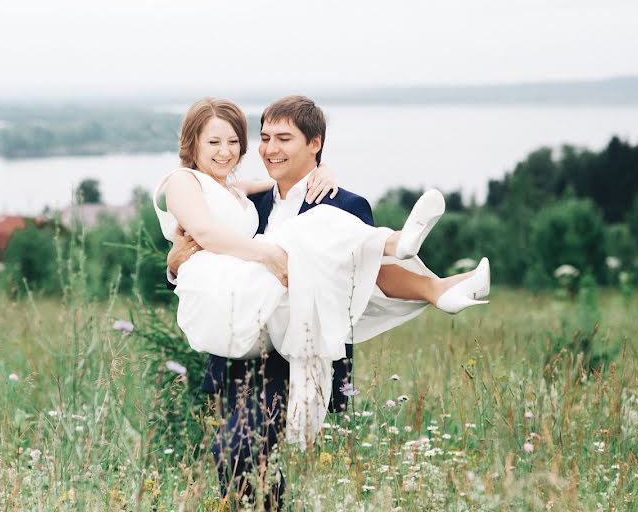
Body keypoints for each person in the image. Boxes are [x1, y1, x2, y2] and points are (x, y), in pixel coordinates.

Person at [156, 96, 489, 507]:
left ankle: (418, 264)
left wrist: (322, 171)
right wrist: (173, 267)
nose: (269, 149)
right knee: (237, 457)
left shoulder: (343, 204)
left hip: (294, 350)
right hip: (238, 346)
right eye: (264, 138)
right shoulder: (246, 203)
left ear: (314, 143)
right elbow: (208, 256)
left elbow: (369, 276)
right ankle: (420, 265)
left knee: (244, 451)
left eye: (283, 138)